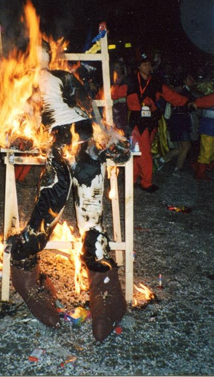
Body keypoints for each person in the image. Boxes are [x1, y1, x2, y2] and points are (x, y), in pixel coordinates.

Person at [7, 41, 130, 342]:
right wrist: (17, 135)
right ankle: (32, 275)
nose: (39, 56)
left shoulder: (61, 76)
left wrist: (109, 137)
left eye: (43, 51)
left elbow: (89, 108)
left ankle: (106, 297)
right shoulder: (24, 80)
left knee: (90, 224)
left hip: (83, 139)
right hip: (62, 145)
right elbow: (21, 116)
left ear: (50, 56)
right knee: (43, 217)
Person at [111, 55, 189, 192]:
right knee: (143, 152)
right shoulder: (130, 80)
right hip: (136, 120)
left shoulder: (156, 82)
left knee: (138, 151)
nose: (148, 67)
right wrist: (113, 83)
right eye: (145, 64)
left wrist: (187, 102)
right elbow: (114, 94)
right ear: (139, 67)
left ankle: (133, 179)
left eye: (149, 64)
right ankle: (146, 183)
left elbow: (171, 96)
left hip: (151, 120)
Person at [190, 91, 214, 180]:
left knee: (210, 151)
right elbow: (201, 101)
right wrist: (195, 104)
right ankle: (200, 172)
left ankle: (203, 166)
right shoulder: (212, 97)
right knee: (206, 151)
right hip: (209, 129)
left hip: (210, 128)